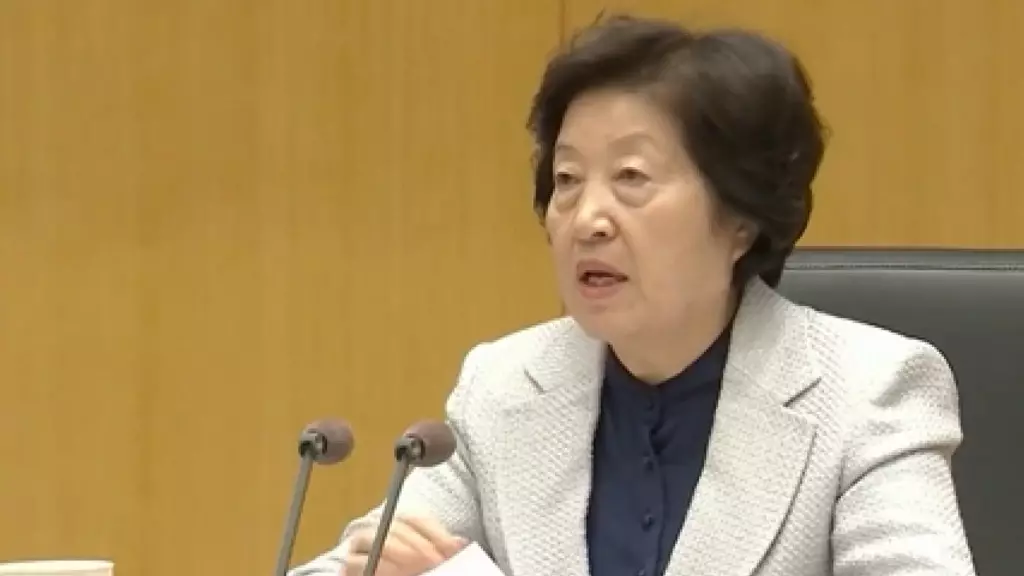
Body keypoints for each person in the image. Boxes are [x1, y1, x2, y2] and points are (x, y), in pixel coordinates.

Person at [291, 15, 976, 576]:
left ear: (741, 219)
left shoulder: (868, 394)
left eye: (631, 178)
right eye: (567, 180)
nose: (587, 218)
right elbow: (364, 559)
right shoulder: (503, 388)